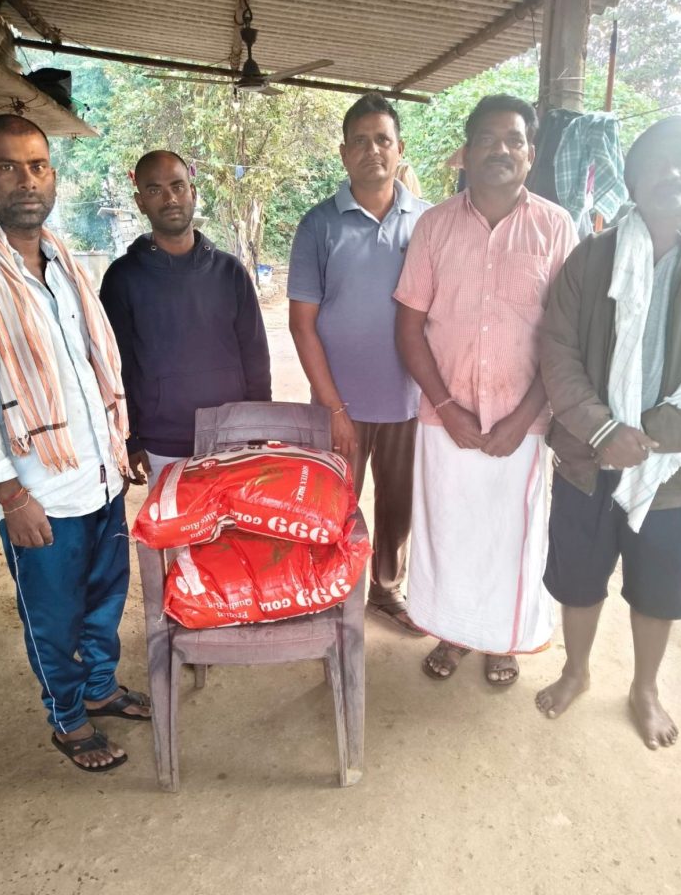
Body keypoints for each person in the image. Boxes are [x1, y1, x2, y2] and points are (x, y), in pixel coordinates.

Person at [395, 94, 578, 682]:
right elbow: (409, 329)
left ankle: (503, 640)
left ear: (530, 154)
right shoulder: (434, 226)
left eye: (514, 140)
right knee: (450, 532)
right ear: (466, 153)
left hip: (524, 421)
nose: (501, 149)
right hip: (445, 417)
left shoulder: (556, 227)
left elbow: (566, 337)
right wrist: (447, 408)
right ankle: (453, 636)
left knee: (510, 537)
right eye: (487, 139)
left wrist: (524, 417)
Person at [0, 114, 150, 772]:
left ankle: (100, 688)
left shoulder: (62, 260)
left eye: (37, 165)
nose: (26, 180)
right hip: (39, 490)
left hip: (98, 473)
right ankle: (67, 718)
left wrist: (119, 443)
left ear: (53, 175)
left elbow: (91, 366)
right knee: (53, 618)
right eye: (6, 166)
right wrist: (9, 493)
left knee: (105, 599)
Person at [536, 116, 681, 749]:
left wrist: (652, 435)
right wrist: (603, 431)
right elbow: (556, 350)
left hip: (672, 469)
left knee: (658, 589)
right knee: (580, 575)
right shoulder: (592, 257)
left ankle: (644, 689)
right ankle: (576, 671)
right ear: (631, 178)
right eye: (659, 161)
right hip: (587, 457)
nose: (674, 172)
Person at [288, 93, 430, 632]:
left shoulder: (428, 222)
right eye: (361, 141)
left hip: (409, 400)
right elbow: (302, 324)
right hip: (339, 405)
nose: (373, 150)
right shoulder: (318, 225)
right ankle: (330, 593)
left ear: (400, 149)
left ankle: (386, 591)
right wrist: (333, 408)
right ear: (344, 153)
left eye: (383, 140)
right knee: (332, 503)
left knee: (399, 505)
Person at [100, 151, 271, 482]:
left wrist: (258, 424)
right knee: (172, 519)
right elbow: (118, 367)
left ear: (193, 192)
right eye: (155, 190)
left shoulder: (230, 272)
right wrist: (129, 438)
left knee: (233, 518)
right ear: (140, 202)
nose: (170, 199)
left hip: (232, 438)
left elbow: (255, 356)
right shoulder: (122, 279)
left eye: (177, 186)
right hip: (162, 445)